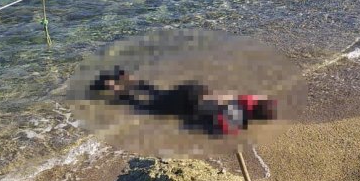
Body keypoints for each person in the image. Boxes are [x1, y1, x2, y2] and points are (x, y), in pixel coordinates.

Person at [89, 68, 277, 137]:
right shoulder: (237, 118)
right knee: (147, 107)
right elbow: (208, 127)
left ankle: (128, 78)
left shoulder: (249, 100)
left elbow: (225, 98)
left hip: (196, 89)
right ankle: (111, 85)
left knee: (159, 93)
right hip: (190, 102)